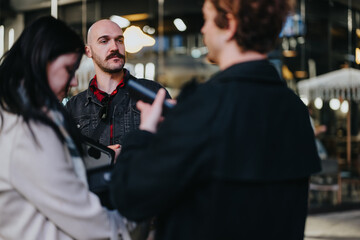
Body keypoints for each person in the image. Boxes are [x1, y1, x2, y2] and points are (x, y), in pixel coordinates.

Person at [110, 0, 321, 240]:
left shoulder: (203, 106)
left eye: (207, 19)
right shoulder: (295, 109)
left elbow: (132, 197)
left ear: (229, 24)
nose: (203, 29)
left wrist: (145, 131)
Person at [0, 16, 132, 240]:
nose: (73, 82)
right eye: (68, 70)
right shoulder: (27, 130)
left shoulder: (31, 116)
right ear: (41, 62)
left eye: (119, 40)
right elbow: (96, 227)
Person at [65, 19, 170, 159]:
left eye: (119, 40)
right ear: (88, 51)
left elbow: (175, 148)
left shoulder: (153, 93)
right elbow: (68, 160)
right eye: (104, 41)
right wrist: (102, 159)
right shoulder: (74, 107)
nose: (114, 47)